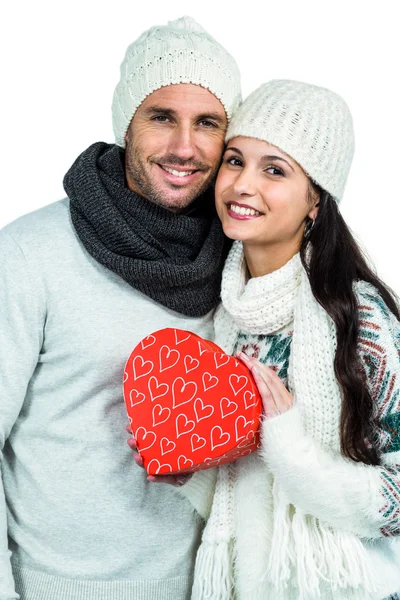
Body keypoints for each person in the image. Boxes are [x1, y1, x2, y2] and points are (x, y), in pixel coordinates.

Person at [0, 16, 241, 600]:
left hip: (203, 585)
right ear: (126, 125)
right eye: (162, 117)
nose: (184, 147)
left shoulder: (237, 262)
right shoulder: (30, 253)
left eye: (206, 123)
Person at [185, 80, 400, 599]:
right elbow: (245, 485)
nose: (242, 184)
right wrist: (187, 469)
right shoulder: (226, 311)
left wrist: (290, 447)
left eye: (274, 170)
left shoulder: (360, 319)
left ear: (315, 203)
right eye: (235, 160)